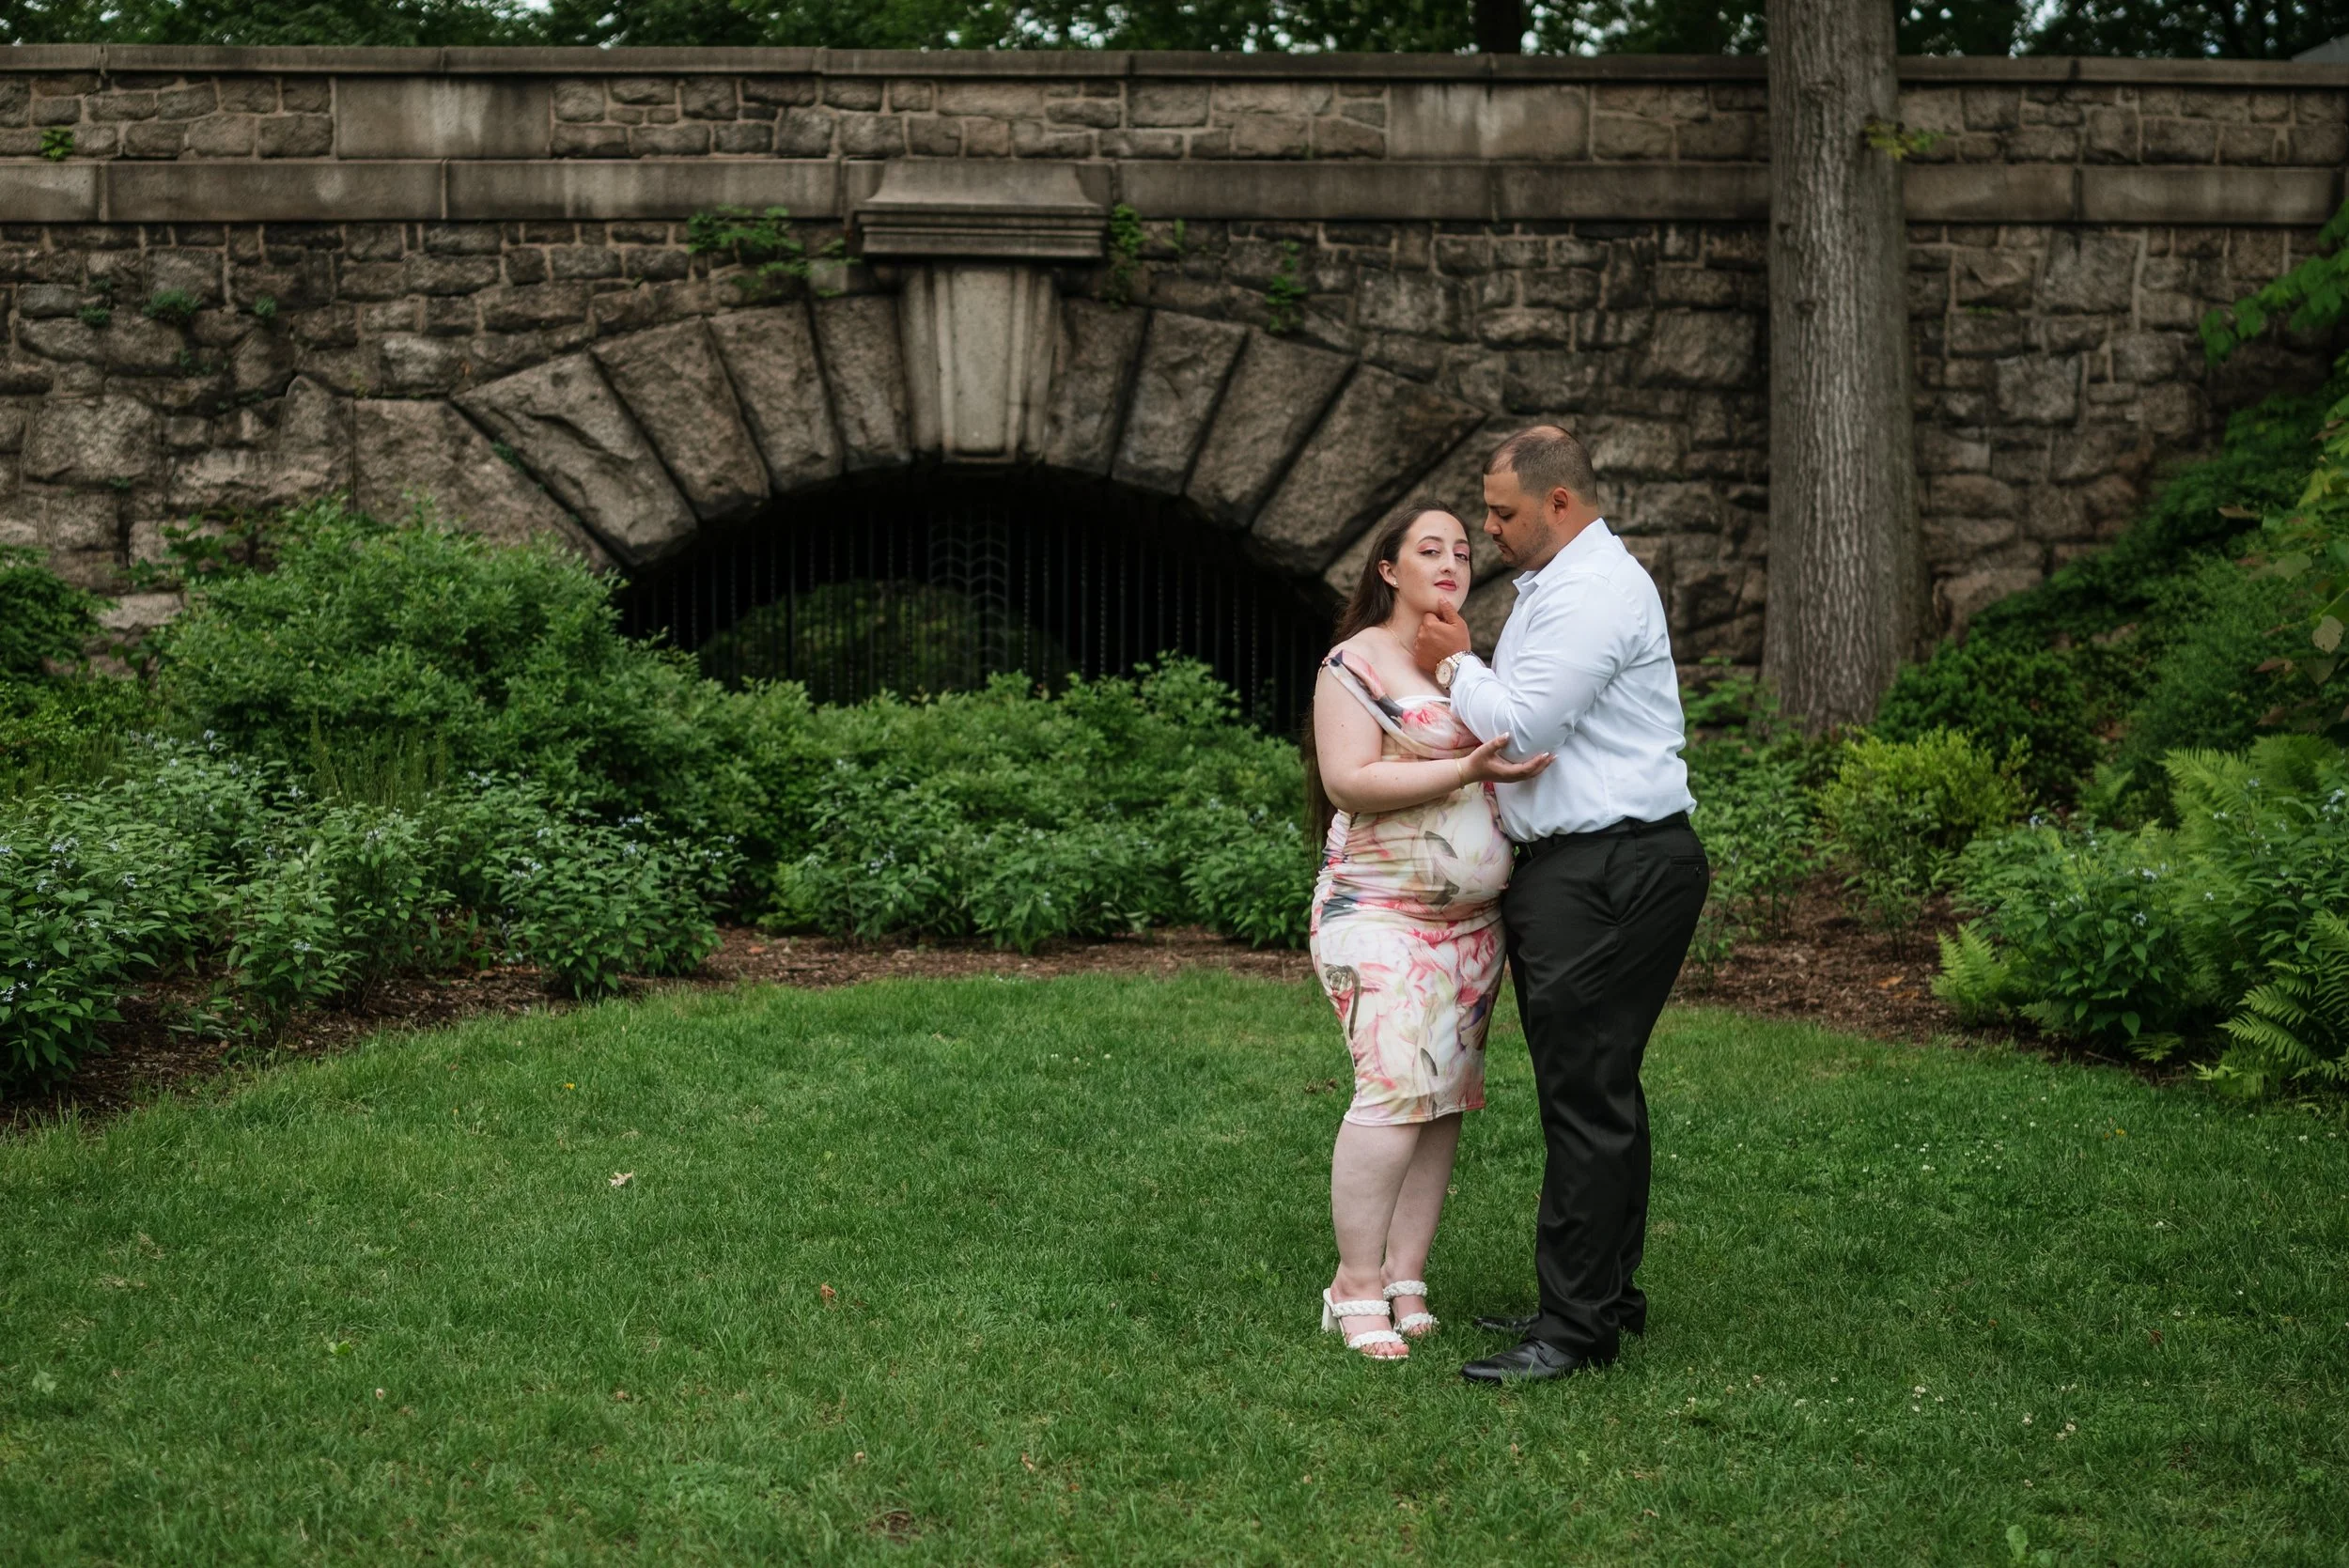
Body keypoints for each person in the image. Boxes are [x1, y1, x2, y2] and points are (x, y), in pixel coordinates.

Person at [1411, 426, 1707, 1385]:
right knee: (1599, 1084)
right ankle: (1601, 1294)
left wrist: (1457, 662)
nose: (1487, 528)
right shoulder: (1566, 585)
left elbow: (1525, 729)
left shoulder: (1592, 591)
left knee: (1584, 1092)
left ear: (1560, 504)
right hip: (1594, 865)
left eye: (1501, 512)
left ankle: (1573, 1330)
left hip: (1608, 868)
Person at [1304, 502, 1554, 1361]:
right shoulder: (1353, 662)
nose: (1451, 561)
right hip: (1377, 910)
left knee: (1443, 1099)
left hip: (1473, 925)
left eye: (1460, 549)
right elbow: (1348, 780)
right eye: (1428, 548)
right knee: (1393, 1092)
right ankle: (1353, 1284)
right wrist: (1464, 765)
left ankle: (1406, 1275)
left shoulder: (1463, 660)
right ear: (1387, 568)